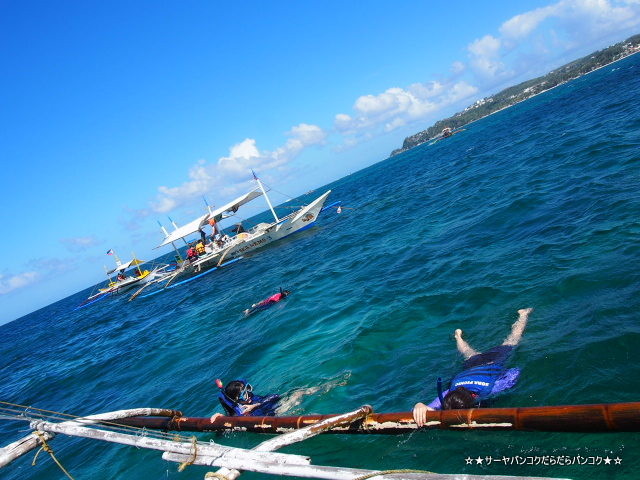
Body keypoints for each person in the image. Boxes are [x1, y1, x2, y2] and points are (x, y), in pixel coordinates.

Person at [413, 308, 533, 426]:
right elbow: (514, 373)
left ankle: (523, 315)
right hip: (473, 365)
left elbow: (515, 372)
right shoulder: (452, 392)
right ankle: (459, 337)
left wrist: (509, 379)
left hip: (493, 362)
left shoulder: (492, 389)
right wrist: (419, 405)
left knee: (511, 341)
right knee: (505, 342)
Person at [211, 379, 281, 419]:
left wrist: (255, 405)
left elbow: (276, 396)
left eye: (248, 389)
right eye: (244, 394)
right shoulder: (239, 410)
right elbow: (233, 418)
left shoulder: (253, 399)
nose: (249, 395)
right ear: (237, 399)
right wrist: (222, 417)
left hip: (277, 409)